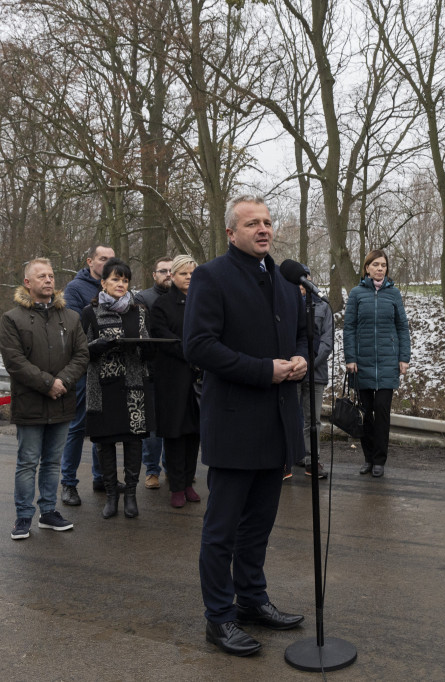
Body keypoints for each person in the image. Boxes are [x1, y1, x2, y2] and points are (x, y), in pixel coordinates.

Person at [184, 194, 308, 657]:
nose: (263, 229)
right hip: (235, 423)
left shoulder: (281, 277)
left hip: (276, 424)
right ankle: (219, 617)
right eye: (252, 223)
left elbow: (300, 333)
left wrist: (301, 357)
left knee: (259, 524)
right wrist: (264, 370)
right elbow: (198, 346)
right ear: (231, 233)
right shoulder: (211, 276)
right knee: (223, 529)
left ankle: (252, 599)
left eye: (268, 222)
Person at [0, 258, 89, 540]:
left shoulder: (70, 317)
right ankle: (23, 516)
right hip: (30, 402)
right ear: (27, 283)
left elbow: (81, 355)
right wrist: (48, 383)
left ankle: (48, 512)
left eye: (51, 276)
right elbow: (14, 361)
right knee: (28, 461)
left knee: (52, 461)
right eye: (41, 276)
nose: (48, 280)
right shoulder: (12, 319)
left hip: (62, 400)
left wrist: (62, 382)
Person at [81, 257, 156, 519]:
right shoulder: (89, 313)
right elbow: (79, 353)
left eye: (125, 280)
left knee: (134, 441)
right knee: (106, 444)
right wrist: (95, 347)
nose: (121, 284)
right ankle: (112, 495)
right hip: (102, 388)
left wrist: (148, 347)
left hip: (134, 385)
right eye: (115, 279)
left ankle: (131, 495)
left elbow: (147, 343)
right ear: (103, 282)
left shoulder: (140, 311)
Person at [343, 248, 411, 478]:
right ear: (367, 268)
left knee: (381, 411)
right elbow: (349, 328)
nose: (380, 268)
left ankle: (380, 460)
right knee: (365, 413)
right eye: (376, 265)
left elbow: (402, 327)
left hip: (387, 362)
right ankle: (367, 457)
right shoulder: (356, 294)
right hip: (361, 364)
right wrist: (350, 358)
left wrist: (404, 358)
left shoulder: (394, 295)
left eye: (383, 265)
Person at [59, 244, 115, 506]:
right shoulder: (75, 288)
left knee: (102, 423)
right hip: (83, 365)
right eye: (103, 258)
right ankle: (68, 483)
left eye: (111, 259)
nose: (107, 262)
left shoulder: (115, 285)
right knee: (78, 425)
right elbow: (71, 328)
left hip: (107, 365)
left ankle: (100, 476)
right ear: (90, 261)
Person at [149, 254, 201, 508]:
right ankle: (177, 486)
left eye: (192, 273)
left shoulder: (202, 302)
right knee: (175, 433)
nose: (189, 278)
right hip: (172, 378)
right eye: (184, 273)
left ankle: (189, 481)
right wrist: (192, 352)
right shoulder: (161, 305)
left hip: (198, 377)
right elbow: (162, 336)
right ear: (173, 276)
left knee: (194, 433)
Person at [135, 256, 173, 489]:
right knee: (152, 427)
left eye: (172, 270)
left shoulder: (186, 297)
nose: (168, 274)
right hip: (150, 369)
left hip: (176, 369)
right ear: (154, 274)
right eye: (163, 271)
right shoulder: (143, 298)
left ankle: (173, 468)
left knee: (174, 423)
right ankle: (152, 471)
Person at [295, 268, 333, 479]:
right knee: (290, 417)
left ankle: (312, 460)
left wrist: (307, 364)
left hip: (316, 373)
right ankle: (286, 460)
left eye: (305, 281)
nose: (301, 286)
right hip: (291, 373)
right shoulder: (285, 305)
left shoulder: (323, 306)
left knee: (313, 420)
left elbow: (327, 342)